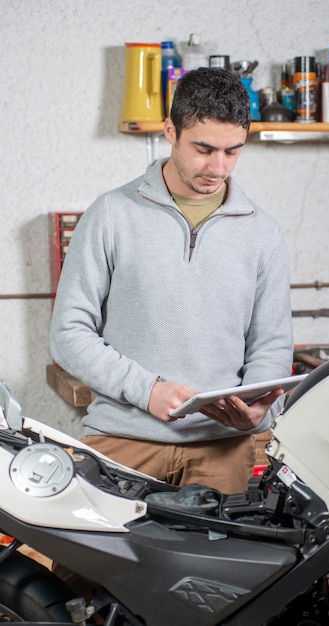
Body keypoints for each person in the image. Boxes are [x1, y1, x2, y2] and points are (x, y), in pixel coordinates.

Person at [50, 67, 294, 495]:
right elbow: (69, 334)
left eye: (232, 151)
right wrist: (148, 391)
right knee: (91, 562)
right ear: (170, 130)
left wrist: (259, 411)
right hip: (122, 441)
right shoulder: (110, 215)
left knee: (221, 562)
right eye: (203, 149)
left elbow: (271, 345)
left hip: (222, 449)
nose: (217, 167)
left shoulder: (264, 232)